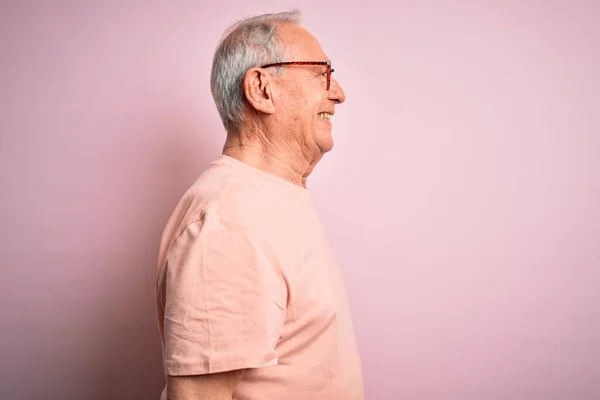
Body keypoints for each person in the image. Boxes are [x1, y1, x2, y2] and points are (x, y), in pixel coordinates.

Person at [155, 9, 364, 400]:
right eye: (322, 73)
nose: (338, 93)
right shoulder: (230, 220)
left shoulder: (263, 201)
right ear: (262, 89)